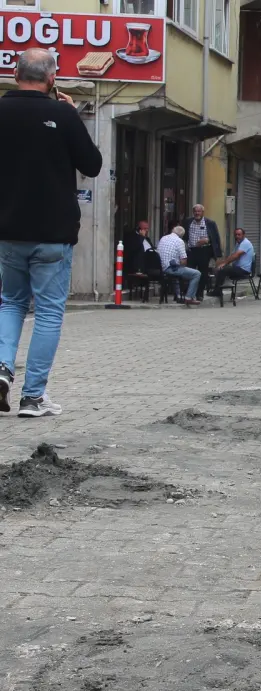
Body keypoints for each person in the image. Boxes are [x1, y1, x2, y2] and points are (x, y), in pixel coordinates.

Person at [0, 48, 103, 417]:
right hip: (54, 234)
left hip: (9, 230)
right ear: (52, 78)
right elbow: (92, 164)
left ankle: (2, 369)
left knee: (10, 302)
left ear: (15, 75)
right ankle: (33, 397)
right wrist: (71, 116)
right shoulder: (62, 114)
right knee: (47, 311)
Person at [156, 223, 204, 305]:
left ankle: (179, 296)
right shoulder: (179, 241)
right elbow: (183, 261)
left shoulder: (163, 238)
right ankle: (189, 297)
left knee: (178, 272)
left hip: (160, 267)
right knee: (196, 273)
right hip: (170, 268)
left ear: (173, 231)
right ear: (181, 236)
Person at [182, 203, 222, 300]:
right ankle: (189, 293)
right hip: (191, 251)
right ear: (193, 212)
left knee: (203, 273)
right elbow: (183, 235)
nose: (197, 213)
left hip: (204, 251)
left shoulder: (210, 223)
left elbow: (216, 238)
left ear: (203, 212)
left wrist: (208, 240)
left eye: (199, 211)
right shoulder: (188, 222)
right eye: (195, 211)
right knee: (190, 271)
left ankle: (199, 294)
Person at [213, 228, 256, 305]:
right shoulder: (238, 244)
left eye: (239, 235)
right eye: (235, 235)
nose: (237, 236)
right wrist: (221, 263)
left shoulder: (245, 243)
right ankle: (218, 289)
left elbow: (236, 256)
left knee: (223, 269)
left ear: (243, 235)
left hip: (243, 270)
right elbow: (231, 256)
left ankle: (217, 291)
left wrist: (224, 264)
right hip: (237, 268)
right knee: (220, 268)